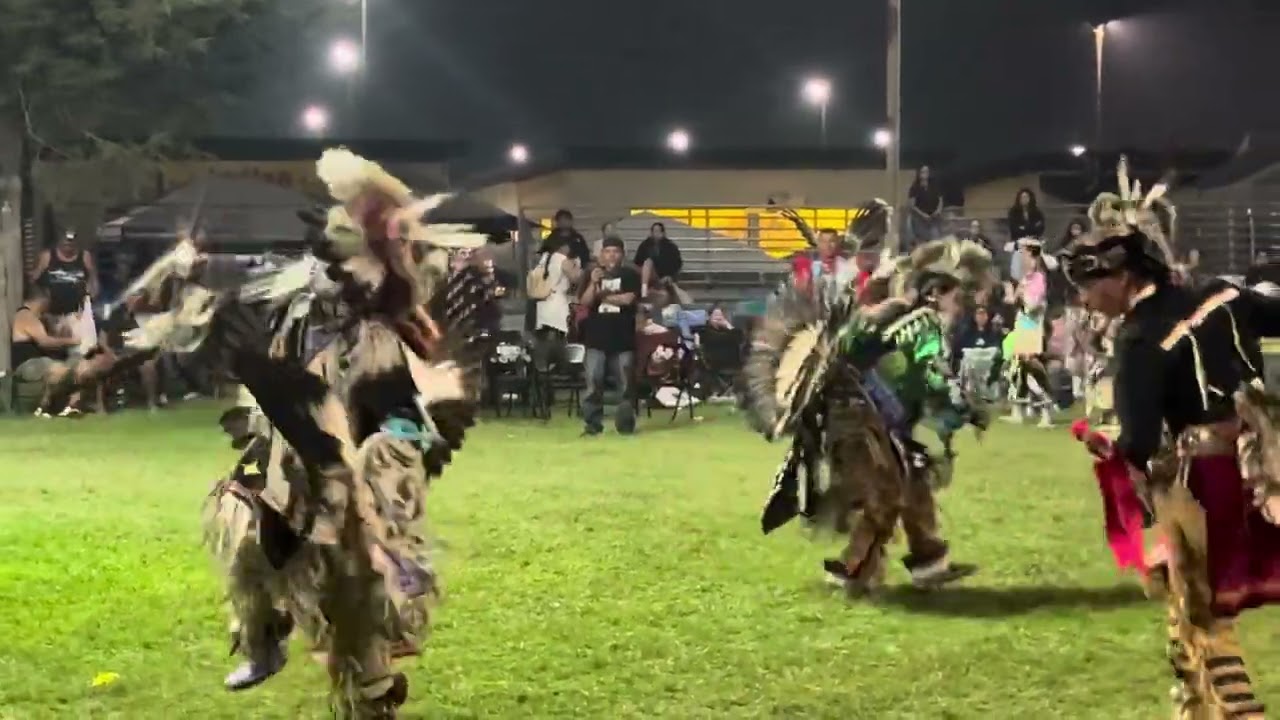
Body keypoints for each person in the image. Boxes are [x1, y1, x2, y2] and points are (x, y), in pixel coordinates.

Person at [1062, 157, 1280, 719]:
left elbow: (1135, 440)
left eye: (1090, 286)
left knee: (1206, 615)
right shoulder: (1224, 298)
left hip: (1205, 481)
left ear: (1125, 277)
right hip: (1264, 473)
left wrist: (1106, 445)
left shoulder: (1139, 339)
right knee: (1189, 610)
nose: (1087, 300)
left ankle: (1238, 712)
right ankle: (1192, 707)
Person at [749, 234, 991, 594]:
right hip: (858, 420)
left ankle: (927, 558)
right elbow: (931, 375)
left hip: (861, 417)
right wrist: (968, 407)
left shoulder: (893, 314)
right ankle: (853, 567)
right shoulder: (919, 322)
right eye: (957, 295)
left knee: (914, 483)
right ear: (936, 291)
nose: (961, 304)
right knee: (887, 494)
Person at [578, 236, 641, 436]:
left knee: (626, 384)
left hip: (623, 338)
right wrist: (593, 284)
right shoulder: (592, 274)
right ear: (601, 255)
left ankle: (625, 424)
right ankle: (592, 425)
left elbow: (629, 299)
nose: (611, 255)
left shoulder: (630, 275)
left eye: (616, 251)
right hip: (596, 337)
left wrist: (602, 296)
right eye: (607, 251)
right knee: (593, 383)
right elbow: (586, 302)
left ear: (622, 254)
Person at [11, 284, 102, 417]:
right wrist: (72, 341)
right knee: (59, 369)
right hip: (29, 365)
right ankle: (43, 407)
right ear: (42, 299)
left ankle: (72, 406)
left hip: (45, 364)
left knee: (80, 363)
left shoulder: (40, 319)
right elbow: (45, 342)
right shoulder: (25, 315)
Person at [1002, 239, 1056, 427]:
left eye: (1025, 255)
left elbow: (1033, 306)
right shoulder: (1025, 279)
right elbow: (1014, 301)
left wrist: (1023, 294)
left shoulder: (1039, 279)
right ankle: (1018, 410)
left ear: (1034, 258)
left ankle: (1046, 410)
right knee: (1018, 367)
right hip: (1022, 324)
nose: (1022, 260)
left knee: (1032, 366)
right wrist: (1010, 292)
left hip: (1033, 327)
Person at [633, 222, 685, 303]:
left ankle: (645, 288)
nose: (656, 234)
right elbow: (637, 261)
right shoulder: (645, 245)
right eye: (654, 231)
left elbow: (677, 264)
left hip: (662, 276)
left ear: (663, 233)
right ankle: (644, 288)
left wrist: (669, 276)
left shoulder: (671, 246)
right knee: (648, 262)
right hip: (646, 274)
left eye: (658, 231)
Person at [906, 165, 943, 246]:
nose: (925, 173)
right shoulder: (915, 187)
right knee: (922, 242)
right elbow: (912, 205)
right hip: (920, 219)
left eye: (926, 171)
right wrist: (923, 215)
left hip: (934, 218)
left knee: (935, 241)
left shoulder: (934, 185)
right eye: (923, 171)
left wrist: (938, 210)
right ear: (919, 173)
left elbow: (940, 199)